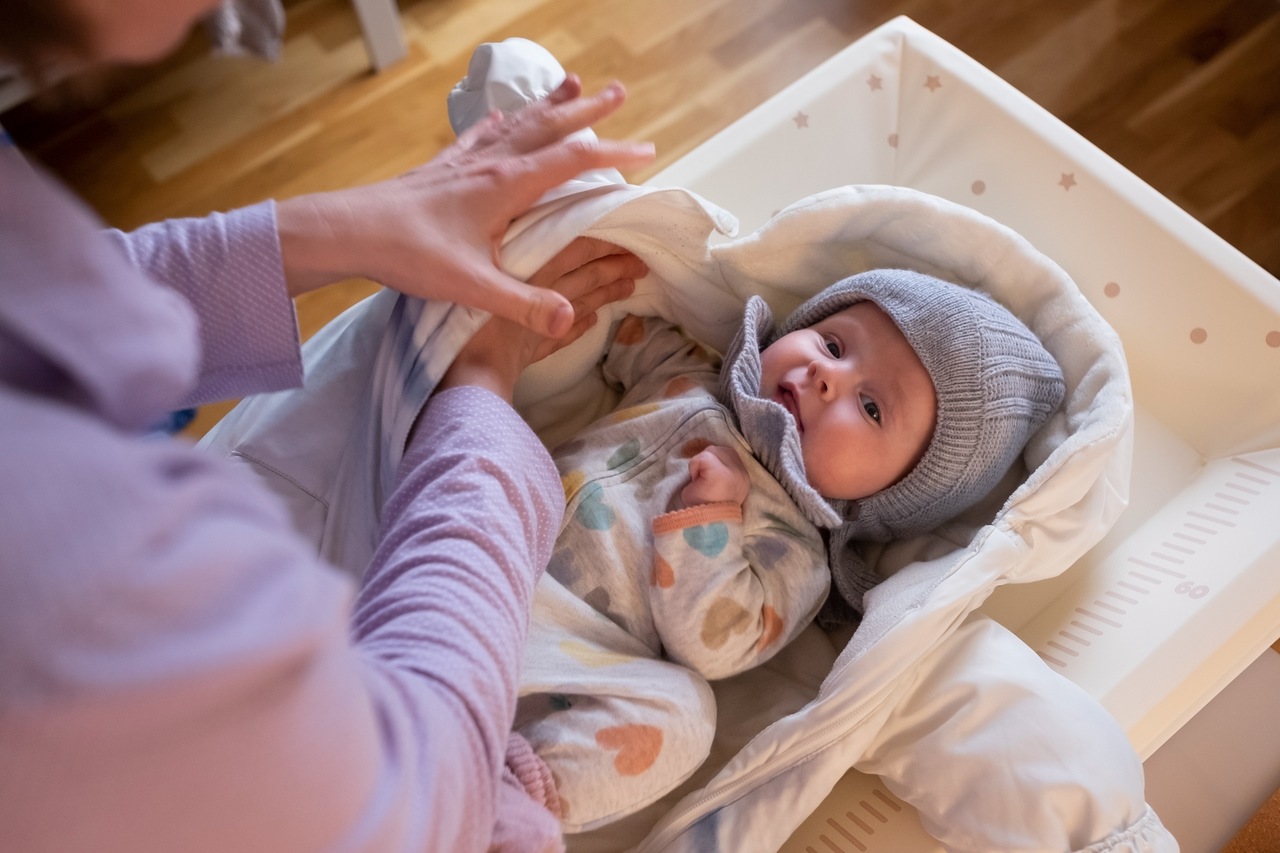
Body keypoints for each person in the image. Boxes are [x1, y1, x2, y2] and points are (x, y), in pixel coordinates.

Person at [0, 2, 656, 852]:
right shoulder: (61, 583)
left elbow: (40, 302)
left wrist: (325, 230)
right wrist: (481, 391)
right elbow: (412, 801)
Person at [440, 267, 1066, 829]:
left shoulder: (795, 552)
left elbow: (716, 643)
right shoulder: (690, 377)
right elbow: (627, 324)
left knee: (686, 714)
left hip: (574, 653)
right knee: (479, 450)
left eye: (871, 407)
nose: (826, 377)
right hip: (481, 557)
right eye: (833, 344)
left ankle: (508, 798)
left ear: (895, 494)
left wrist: (705, 520)